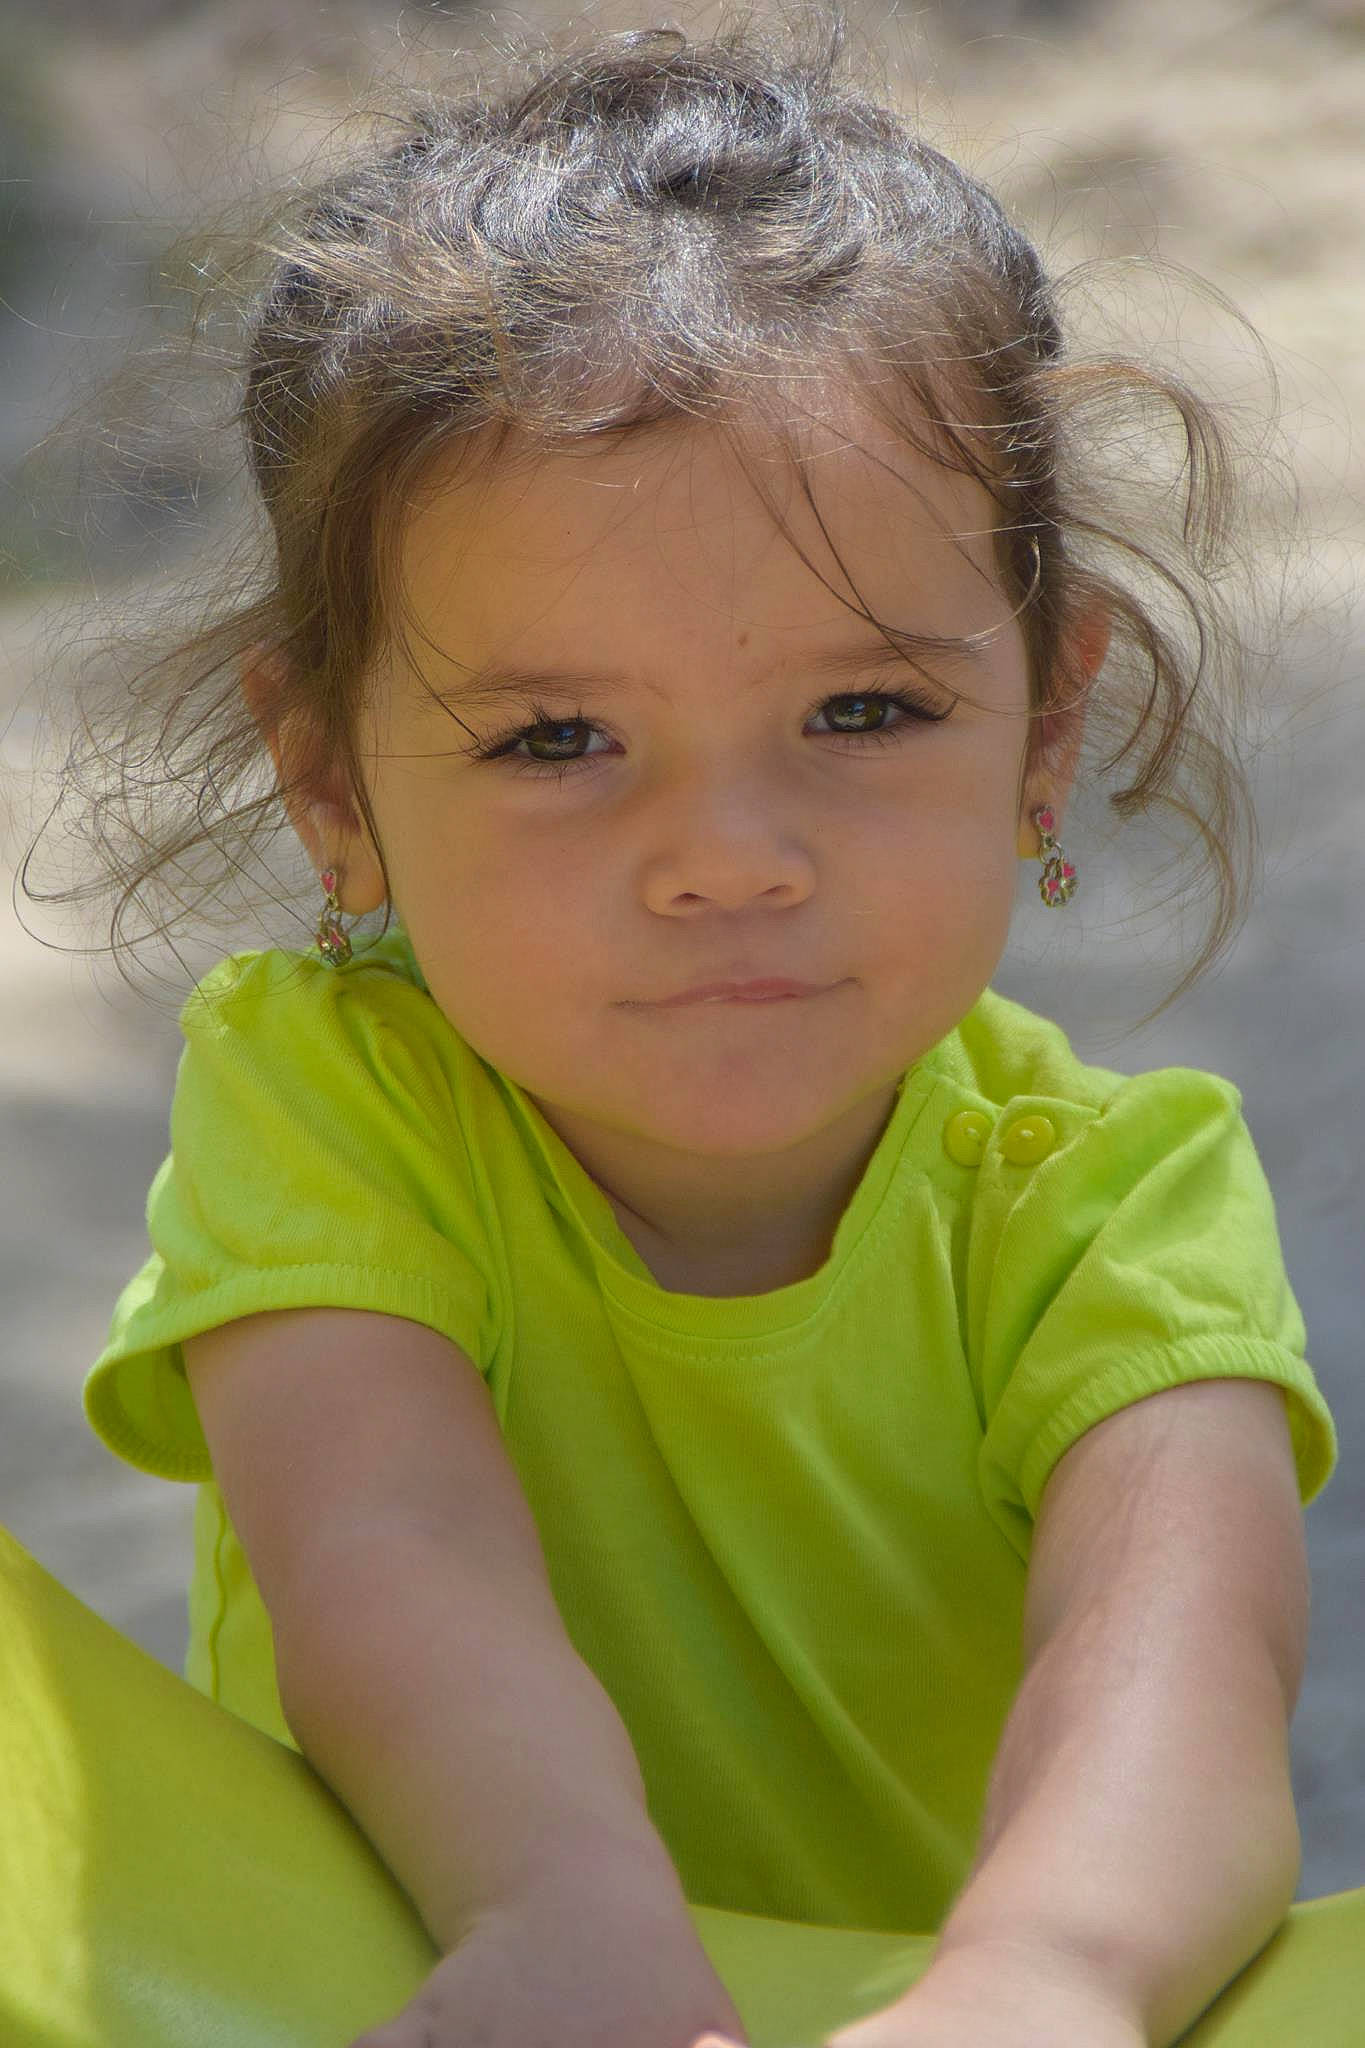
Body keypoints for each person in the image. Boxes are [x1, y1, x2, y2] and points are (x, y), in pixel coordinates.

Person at [61, 13, 1338, 2048]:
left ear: (1047, 726)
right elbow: (383, 1532)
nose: (727, 859)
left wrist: (1046, 1980)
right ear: (327, 781)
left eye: (861, 712)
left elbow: (1174, 1678)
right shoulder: (336, 1103)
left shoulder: (1111, 1206)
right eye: (557, 739)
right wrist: (552, 1907)